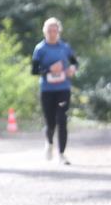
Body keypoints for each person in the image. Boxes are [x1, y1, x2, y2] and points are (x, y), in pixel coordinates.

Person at [32, 17, 78, 165]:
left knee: (62, 119)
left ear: (59, 31)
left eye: (55, 30)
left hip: (63, 88)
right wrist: (49, 70)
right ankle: (49, 142)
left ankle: (62, 154)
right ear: (45, 32)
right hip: (47, 90)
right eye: (49, 31)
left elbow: (75, 62)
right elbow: (34, 70)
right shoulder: (40, 49)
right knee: (50, 122)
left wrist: (72, 69)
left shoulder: (65, 47)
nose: (52, 33)